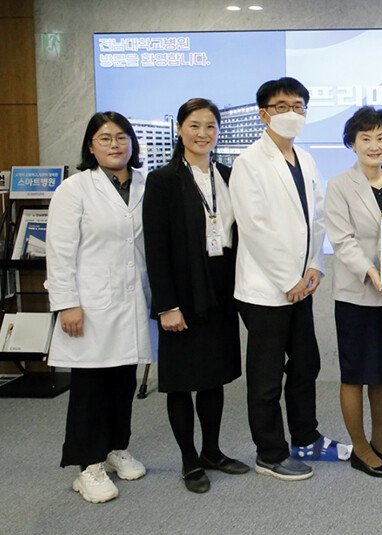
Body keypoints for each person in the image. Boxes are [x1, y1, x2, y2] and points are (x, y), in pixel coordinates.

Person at [229, 77, 349, 482]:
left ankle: (305, 438)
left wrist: (314, 266)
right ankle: (270, 452)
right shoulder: (248, 162)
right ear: (264, 114)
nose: (291, 113)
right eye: (282, 106)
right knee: (266, 377)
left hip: (302, 283)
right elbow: (255, 229)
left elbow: (316, 218)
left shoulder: (306, 159)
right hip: (266, 289)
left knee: (305, 364)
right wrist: (287, 280)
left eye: (298, 106)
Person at [46, 112, 153, 503]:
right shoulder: (74, 189)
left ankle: (114, 448)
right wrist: (67, 304)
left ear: (132, 143)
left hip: (132, 300)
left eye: (122, 137)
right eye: (105, 138)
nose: (114, 144)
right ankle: (87, 466)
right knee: (90, 386)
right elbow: (59, 252)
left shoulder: (145, 184)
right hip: (89, 304)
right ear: (90, 146)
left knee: (123, 380)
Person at [143, 98, 248, 493]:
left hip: (221, 287)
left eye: (210, 126)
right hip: (183, 291)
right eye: (194, 125)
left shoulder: (228, 175)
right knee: (181, 380)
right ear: (179, 130)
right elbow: (156, 249)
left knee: (213, 377)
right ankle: (189, 460)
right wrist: (167, 306)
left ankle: (212, 451)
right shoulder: (163, 180)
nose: (203, 134)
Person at [325, 106, 382, 478]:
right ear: (352, 143)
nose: (374, 145)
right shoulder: (339, 185)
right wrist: (371, 272)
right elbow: (342, 241)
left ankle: (381, 441)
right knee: (355, 373)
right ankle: (359, 447)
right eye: (365, 138)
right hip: (356, 293)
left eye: (380, 137)